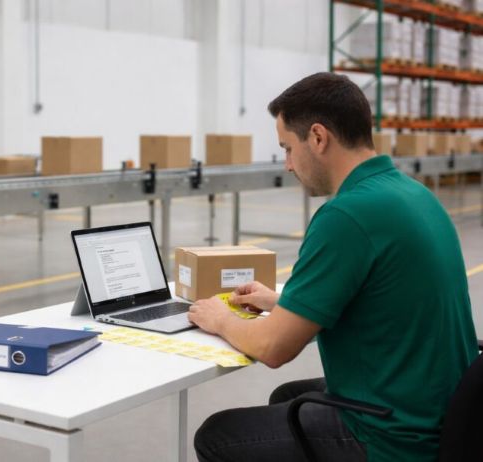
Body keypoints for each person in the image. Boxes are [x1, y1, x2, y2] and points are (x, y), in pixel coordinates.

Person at [188, 72, 478, 462]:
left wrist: (220, 317)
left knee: (218, 435)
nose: (288, 164)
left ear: (319, 138)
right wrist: (280, 302)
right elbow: (376, 298)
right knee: (288, 398)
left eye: (288, 148)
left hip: (393, 436)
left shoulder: (346, 215)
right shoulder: (411, 194)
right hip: (439, 411)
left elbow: (274, 348)